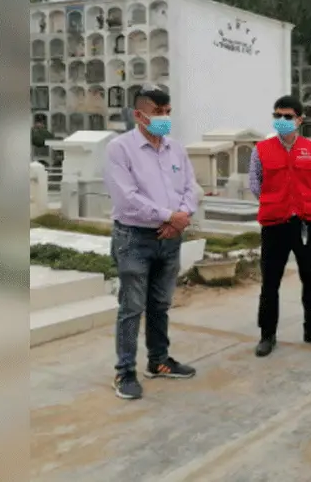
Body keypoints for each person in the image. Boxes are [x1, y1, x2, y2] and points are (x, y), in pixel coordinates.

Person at [104, 85, 198, 400]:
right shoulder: (120, 148)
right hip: (134, 238)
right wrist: (169, 215)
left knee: (160, 304)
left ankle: (158, 361)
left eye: (168, 112)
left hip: (170, 239)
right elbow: (126, 197)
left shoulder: (176, 149)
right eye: (158, 112)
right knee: (131, 307)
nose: (165, 118)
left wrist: (181, 215)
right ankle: (125, 372)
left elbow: (190, 187)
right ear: (139, 115)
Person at [249, 95, 311, 357]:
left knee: (310, 278)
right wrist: (278, 203)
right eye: (277, 116)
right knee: (270, 282)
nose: (282, 121)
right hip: (275, 225)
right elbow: (255, 185)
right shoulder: (261, 150)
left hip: (305, 223)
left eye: (287, 116)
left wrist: (302, 205)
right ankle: (267, 334)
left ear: (299, 119)